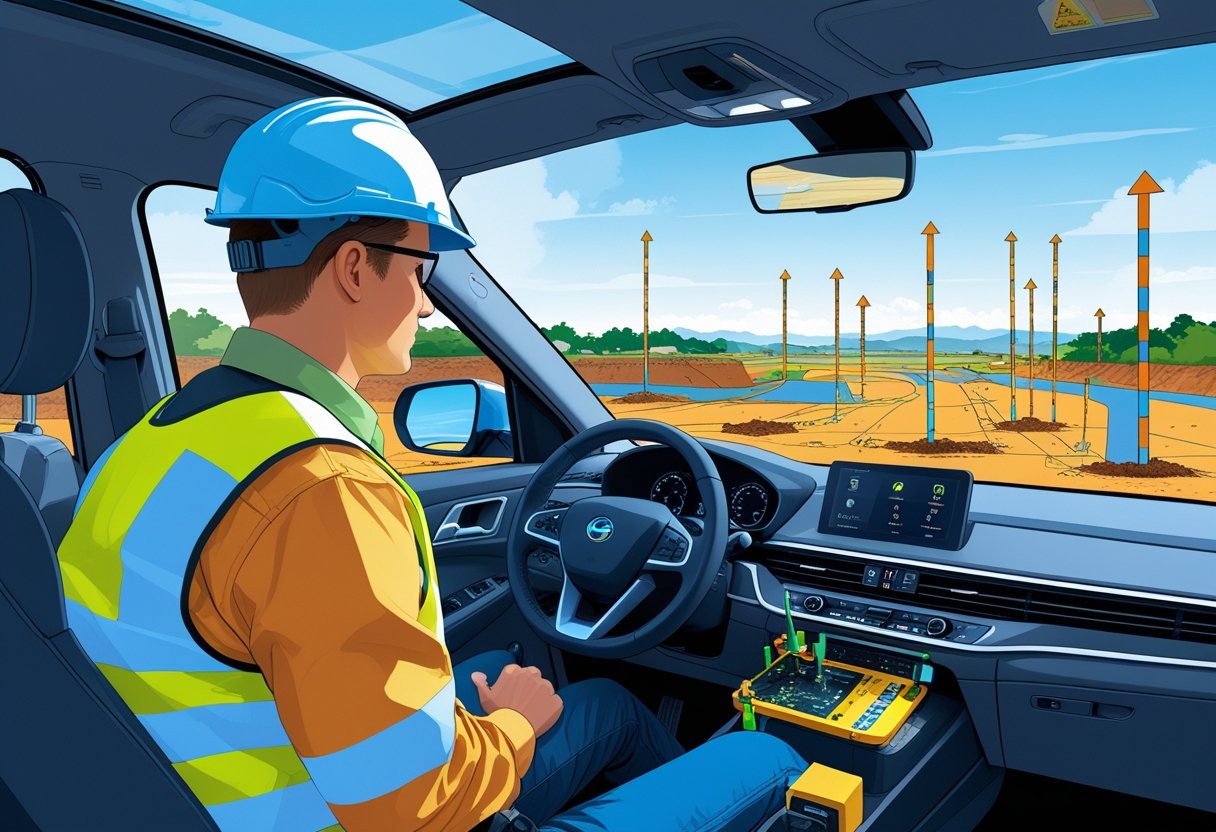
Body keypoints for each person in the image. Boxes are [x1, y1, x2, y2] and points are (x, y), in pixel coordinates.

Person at [56, 97, 807, 832]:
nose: (425, 305)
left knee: (605, 703)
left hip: (225, 791)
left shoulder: (150, 444)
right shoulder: (323, 489)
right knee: (772, 757)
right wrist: (513, 725)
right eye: (420, 268)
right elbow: (411, 810)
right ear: (354, 267)